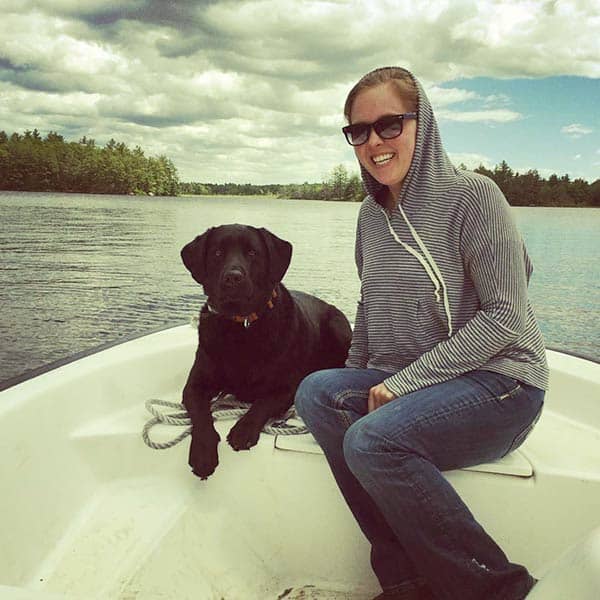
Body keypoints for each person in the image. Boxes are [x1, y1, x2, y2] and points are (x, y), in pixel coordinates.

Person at [294, 67, 549, 600]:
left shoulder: (475, 198)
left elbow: (506, 317)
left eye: (389, 125)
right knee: (316, 391)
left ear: (423, 122)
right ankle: (407, 581)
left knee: (372, 439)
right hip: (424, 385)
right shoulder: (369, 216)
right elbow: (369, 307)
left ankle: (496, 588)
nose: (374, 142)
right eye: (358, 132)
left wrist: (404, 384)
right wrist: (353, 376)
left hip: (502, 384)